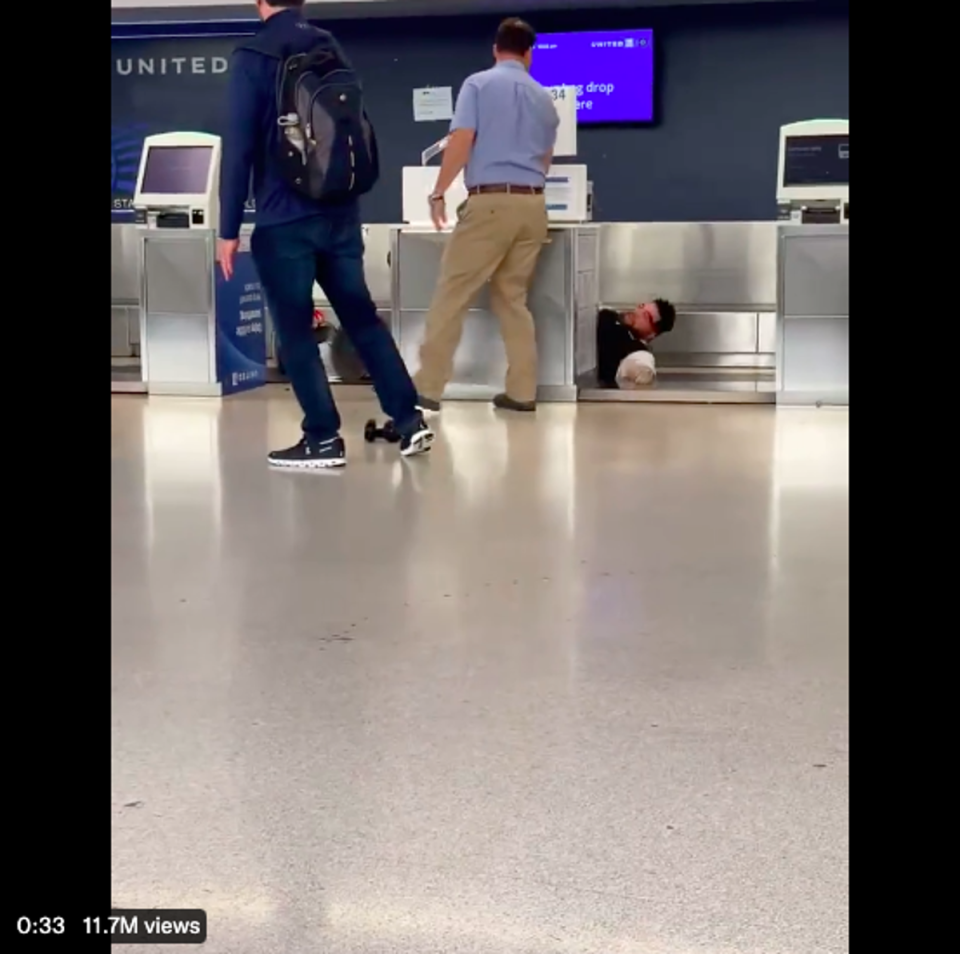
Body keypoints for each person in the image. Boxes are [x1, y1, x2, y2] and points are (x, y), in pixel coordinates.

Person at [217, 0, 433, 469]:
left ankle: (322, 437)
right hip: (340, 213)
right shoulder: (329, 47)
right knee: (361, 318)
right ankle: (410, 420)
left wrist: (228, 229)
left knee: (295, 330)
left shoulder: (254, 57)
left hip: (284, 217)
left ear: (261, 3)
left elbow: (238, 149)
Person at [413, 17, 560, 415]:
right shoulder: (545, 100)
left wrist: (439, 190)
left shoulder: (478, 84)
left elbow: (463, 140)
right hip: (533, 206)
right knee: (513, 299)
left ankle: (427, 389)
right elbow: (545, 160)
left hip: (490, 202)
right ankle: (522, 391)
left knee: (452, 294)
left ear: (496, 49)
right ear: (529, 54)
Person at [596, 300, 677, 389]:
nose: (638, 312)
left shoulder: (638, 350)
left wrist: (643, 370)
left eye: (646, 316)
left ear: (653, 334)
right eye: (641, 306)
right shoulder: (609, 315)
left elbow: (643, 367)